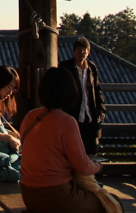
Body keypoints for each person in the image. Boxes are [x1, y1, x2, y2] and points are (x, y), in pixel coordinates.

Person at [19, 67, 111, 213]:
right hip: (57, 195)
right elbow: (83, 166)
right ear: (69, 90)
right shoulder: (66, 121)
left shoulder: (30, 117)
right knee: (109, 203)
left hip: (28, 193)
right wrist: (98, 166)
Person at [60, 37, 106, 157]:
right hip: (73, 114)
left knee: (91, 150)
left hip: (90, 115)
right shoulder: (65, 67)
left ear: (88, 52)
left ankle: (89, 174)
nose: (82, 53)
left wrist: (101, 108)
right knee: (73, 149)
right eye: (79, 50)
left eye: (85, 50)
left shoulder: (91, 68)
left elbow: (97, 89)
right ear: (74, 51)